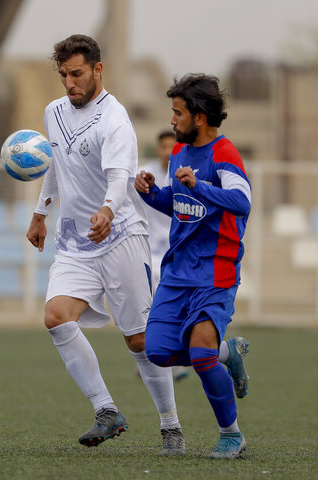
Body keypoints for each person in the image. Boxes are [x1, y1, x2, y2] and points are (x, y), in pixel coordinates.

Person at [26, 34, 184, 456]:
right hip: (75, 242)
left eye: (76, 74)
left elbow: (119, 178)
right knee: (57, 317)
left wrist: (108, 210)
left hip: (120, 239)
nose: (69, 83)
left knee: (140, 343)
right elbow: (55, 167)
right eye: (63, 75)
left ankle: (171, 426)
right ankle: (106, 410)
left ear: (98, 70)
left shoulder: (115, 120)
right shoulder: (53, 112)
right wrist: (41, 213)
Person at [135, 74, 251, 459]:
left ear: (199, 117)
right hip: (177, 271)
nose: (172, 120)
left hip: (215, 271)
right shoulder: (180, 153)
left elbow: (241, 201)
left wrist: (199, 185)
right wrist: (153, 194)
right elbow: (180, 204)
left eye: (177, 113)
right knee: (157, 352)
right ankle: (226, 354)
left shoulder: (225, 154)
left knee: (199, 355)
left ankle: (231, 434)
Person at [138, 130, 189, 382]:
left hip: (177, 246)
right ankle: (156, 357)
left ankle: (167, 357)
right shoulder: (144, 173)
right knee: (149, 304)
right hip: (148, 248)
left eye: (173, 146)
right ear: (158, 149)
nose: (168, 152)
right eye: (164, 147)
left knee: (172, 304)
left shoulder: (184, 173)